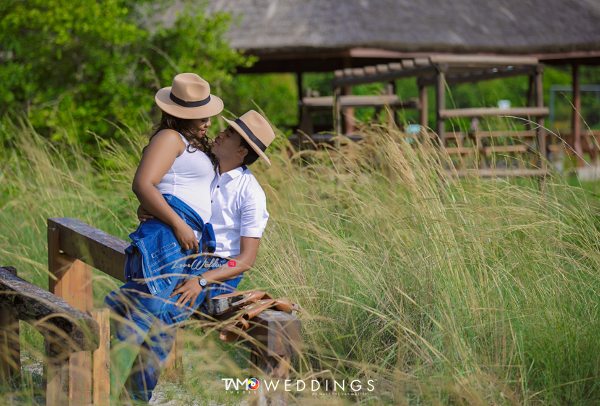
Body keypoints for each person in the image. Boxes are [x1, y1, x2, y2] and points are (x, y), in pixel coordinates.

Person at [127, 110, 276, 402]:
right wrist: (146, 211)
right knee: (138, 297)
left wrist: (203, 280)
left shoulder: (251, 194)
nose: (218, 132)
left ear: (242, 151)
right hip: (186, 255)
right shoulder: (204, 168)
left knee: (168, 313)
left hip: (219, 268)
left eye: (229, 134)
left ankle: (134, 397)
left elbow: (245, 260)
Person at [104, 72, 224, 403]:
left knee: (162, 329)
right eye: (201, 116)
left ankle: (134, 398)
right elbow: (143, 184)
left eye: (207, 113)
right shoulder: (169, 138)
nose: (207, 121)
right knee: (142, 316)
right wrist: (176, 222)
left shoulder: (192, 145)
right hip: (173, 236)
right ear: (181, 114)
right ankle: (99, 389)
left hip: (188, 239)